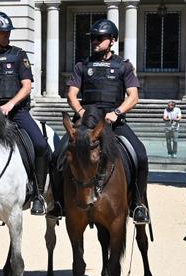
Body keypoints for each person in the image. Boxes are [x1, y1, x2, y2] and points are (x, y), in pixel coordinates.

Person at [58, 18, 150, 224]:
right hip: (87, 120)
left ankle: (138, 204)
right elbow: (71, 94)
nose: (95, 42)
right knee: (59, 154)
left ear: (113, 40)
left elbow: (133, 96)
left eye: (100, 38)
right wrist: (80, 111)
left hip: (113, 122)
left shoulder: (123, 66)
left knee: (141, 155)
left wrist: (117, 112)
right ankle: (58, 203)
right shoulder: (82, 65)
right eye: (93, 38)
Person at [0, 11, 49, 216]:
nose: (7, 35)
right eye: (2, 32)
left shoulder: (18, 54)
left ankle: (39, 194)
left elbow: (26, 86)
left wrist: (10, 105)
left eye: (8, 32)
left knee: (41, 145)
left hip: (17, 112)